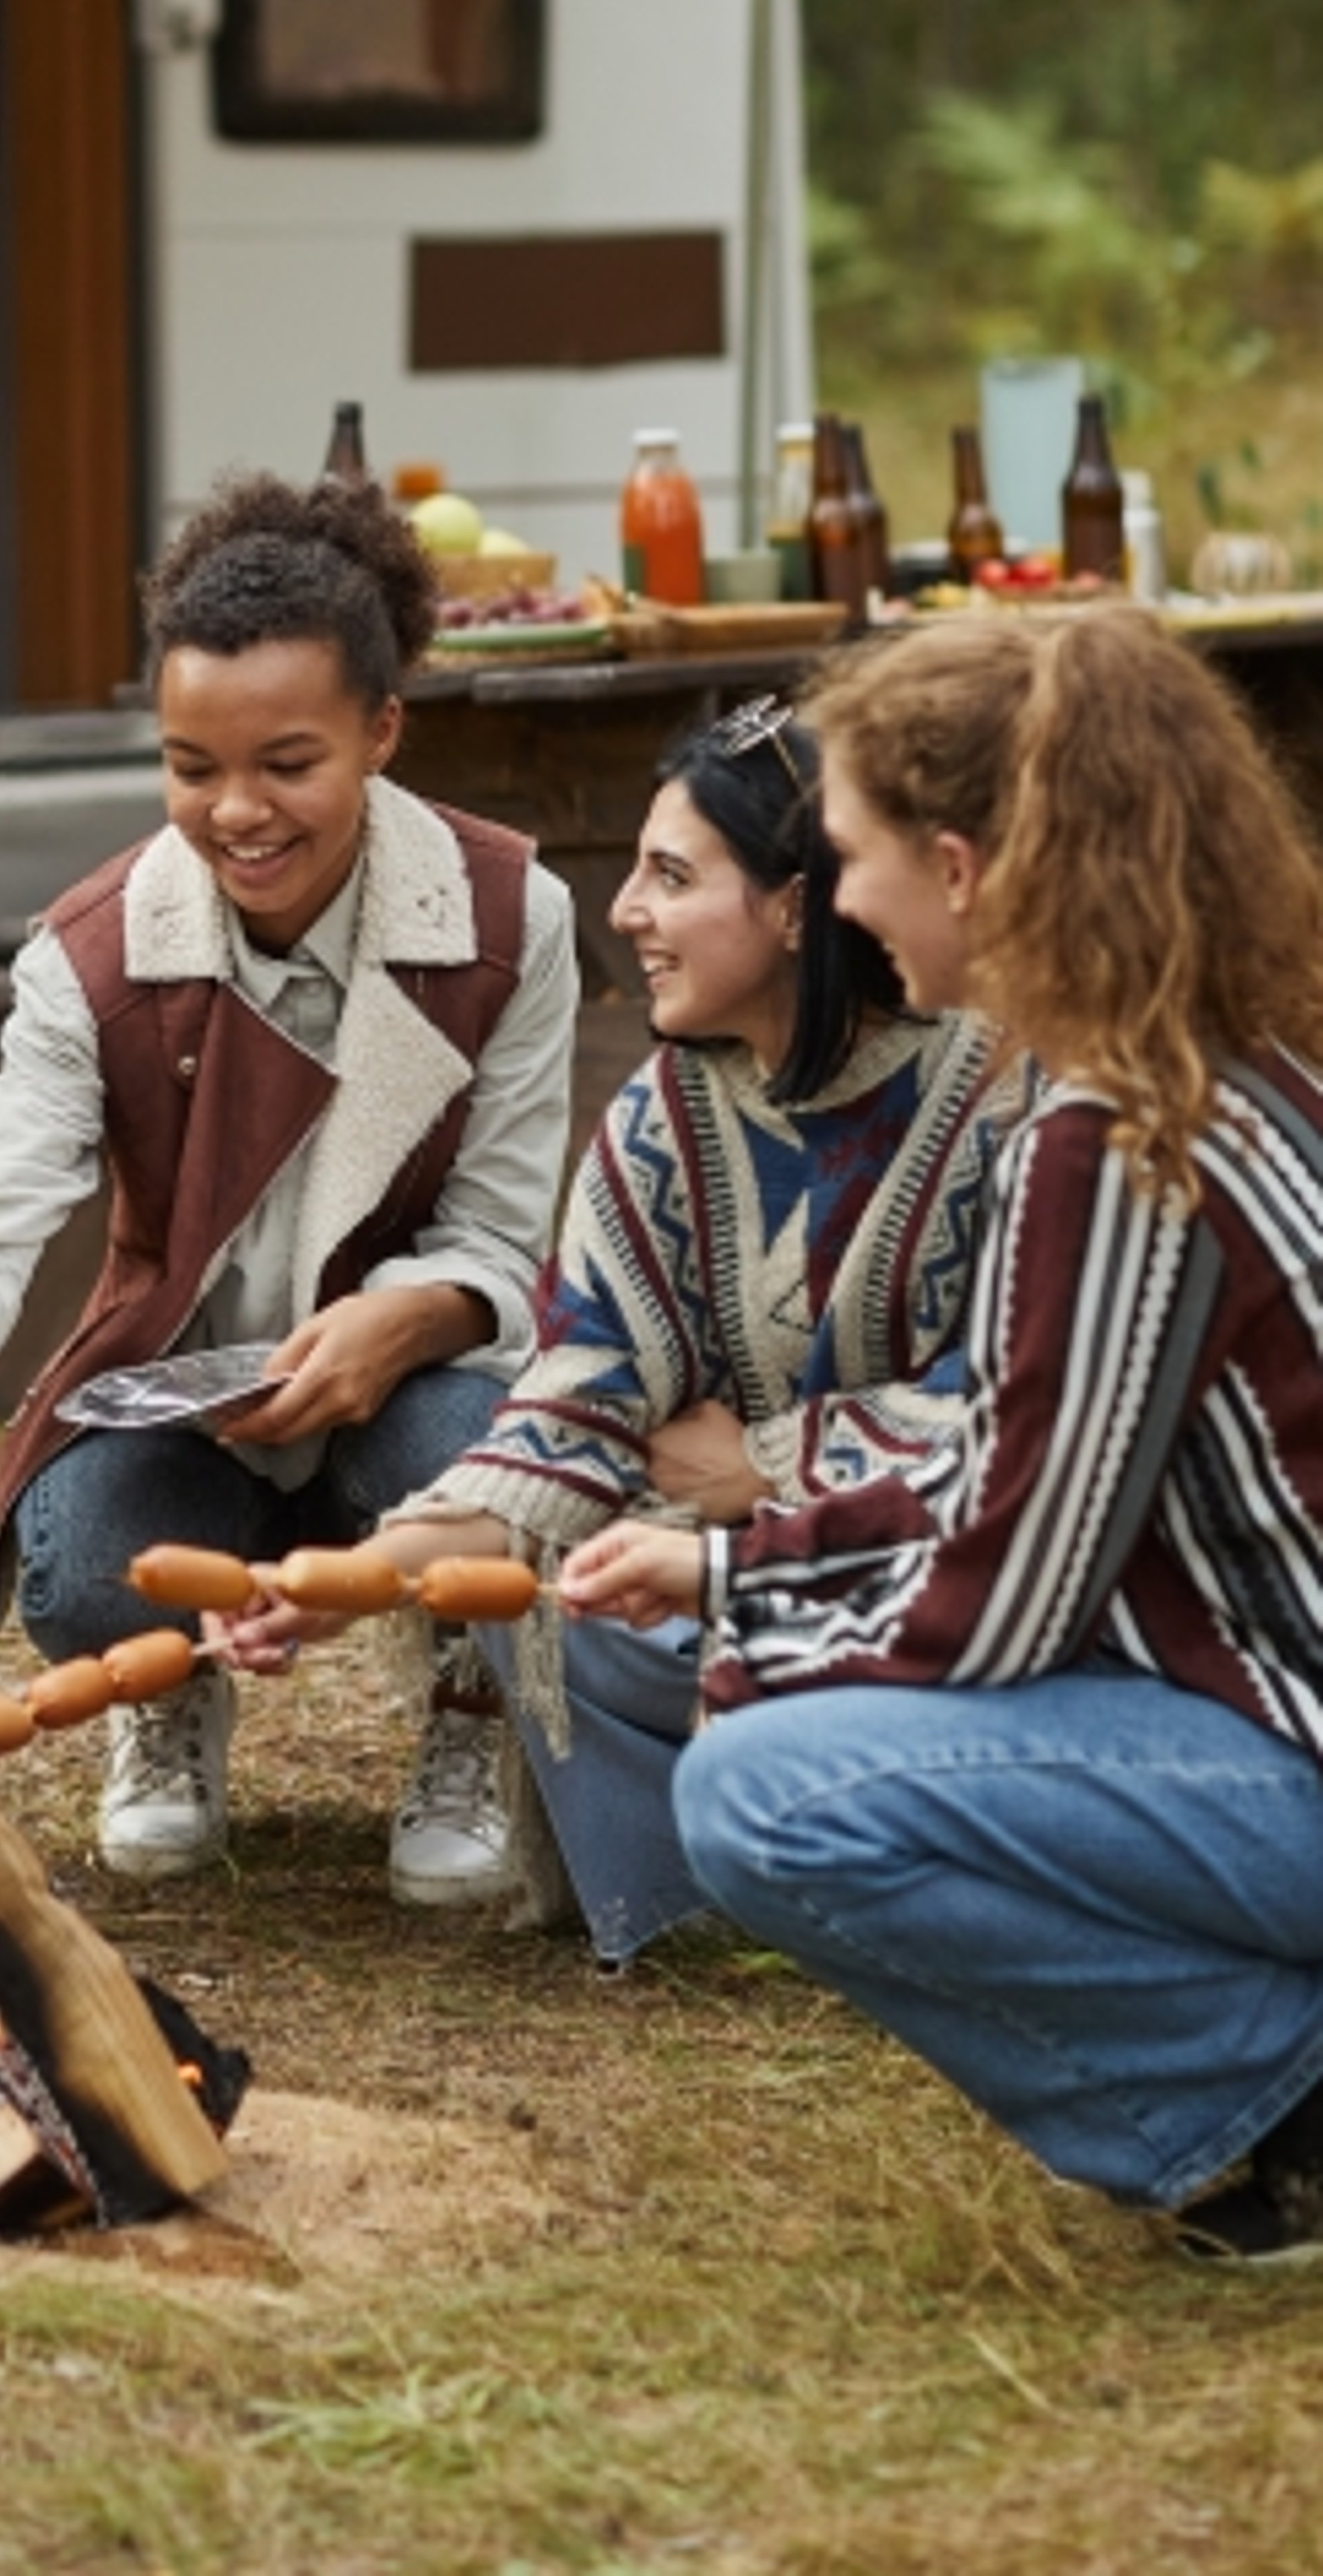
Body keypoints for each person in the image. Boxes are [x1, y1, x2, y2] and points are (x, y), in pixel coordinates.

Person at [562, 611, 1323, 2262]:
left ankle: (1273, 2106)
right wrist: (725, 1554)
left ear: (965, 866)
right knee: (740, 1663)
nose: (835, 903)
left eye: (848, 860)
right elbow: (1016, 1464)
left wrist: (743, 1614)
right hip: (1256, 1709)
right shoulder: (1200, 1060)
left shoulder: (1121, 1138)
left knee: (764, 1789)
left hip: (1289, 1751)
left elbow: (1011, 1598)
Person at [0, 471, 580, 1901]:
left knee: (475, 1455)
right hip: (179, 1400)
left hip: (413, 1375)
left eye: (287, 762)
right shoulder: (95, 949)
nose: (235, 810)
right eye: (191, 764)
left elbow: (499, 1230)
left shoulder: (509, 916)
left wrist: (400, 1323)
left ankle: (470, 1703)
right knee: (81, 1572)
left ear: (383, 729)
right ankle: (166, 1691)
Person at [308, 696, 1026, 1966]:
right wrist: (349, 1578)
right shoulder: (658, 1119)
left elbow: (1035, 1409)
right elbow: (572, 1417)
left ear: (798, 907)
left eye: (670, 876)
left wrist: (776, 1466)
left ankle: (922, 1864)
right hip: (732, 1580)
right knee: (575, 1599)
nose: (626, 911)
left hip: (954, 1563)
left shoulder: (1006, 1089)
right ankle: (730, 1897)